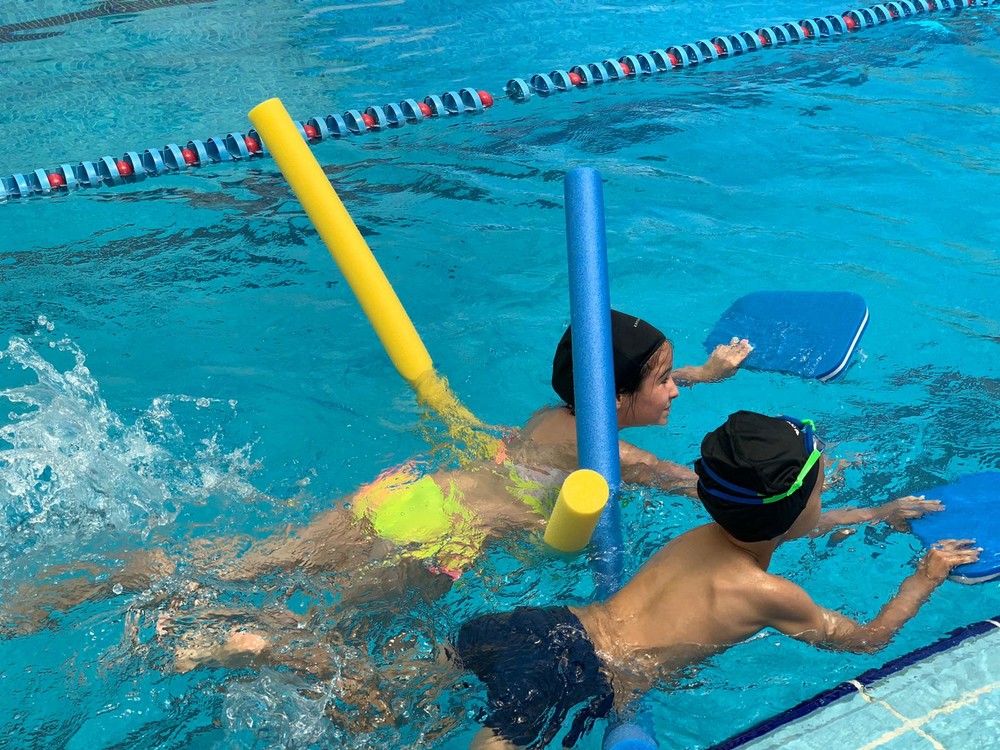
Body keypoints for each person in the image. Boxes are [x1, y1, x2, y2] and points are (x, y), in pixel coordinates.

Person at [1, 311, 751, 642]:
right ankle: (195, 636)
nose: (677, 389)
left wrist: (705, 374)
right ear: (620, 396)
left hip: (412, 495)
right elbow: (712, 488)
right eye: (667, 380)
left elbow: (620, 389)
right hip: (447, 537)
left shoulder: (555, 416)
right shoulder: (613, 458)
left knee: (252, 563)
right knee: (321, 622)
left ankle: (79, 587)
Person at [455, 411, 978, 749]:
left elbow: (793, 524)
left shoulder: (707, 533)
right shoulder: (770, 594)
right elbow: (868, 641)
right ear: (792, 510)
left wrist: (873, 513)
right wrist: (923, 578)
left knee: (410, 686)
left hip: (542, 626)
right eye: (822, 488)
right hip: (581, 673)